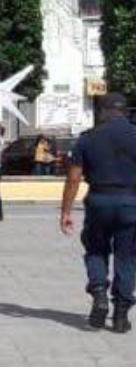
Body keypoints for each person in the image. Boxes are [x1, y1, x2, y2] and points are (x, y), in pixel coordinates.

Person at [60, 93, 136, 333]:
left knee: (95, 250)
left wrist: (66, 211)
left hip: (98, 201)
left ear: (102, 111)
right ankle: (121, 315)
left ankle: (99, 294)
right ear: (125, 111)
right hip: (130, 202)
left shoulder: (87, 139)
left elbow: (73, 178)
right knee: (127, 257)